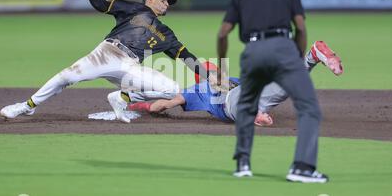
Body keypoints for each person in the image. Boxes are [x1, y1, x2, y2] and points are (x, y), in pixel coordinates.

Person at [0, 0, 214, 123]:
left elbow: (186, 57)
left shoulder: (166, 33)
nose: (167, 3)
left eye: (168, 1)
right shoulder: (135, 9)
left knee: (172, 89)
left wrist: (209, 76)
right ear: (149, 0)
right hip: (107, 53)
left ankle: (121, 98)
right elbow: (103, 5)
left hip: (129, 65)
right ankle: (28, 105)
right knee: (67, 76)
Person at [217, 0, 330, 183]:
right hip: (283, 47)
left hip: (253, 50)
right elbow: (300, 27)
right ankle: (302, 167)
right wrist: (297, 57)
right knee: (308, 107)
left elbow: (222, 33)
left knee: (247, 107)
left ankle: (243, 164)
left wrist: (221, 65)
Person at [129, 42, 343, 125]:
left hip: (235, 103)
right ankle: (310, 58)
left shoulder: (197, 89)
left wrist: (144, 107)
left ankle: (255, 114)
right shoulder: (229, 80)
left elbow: (165, 104)